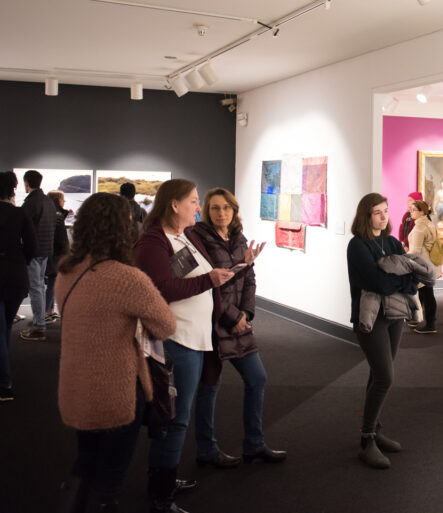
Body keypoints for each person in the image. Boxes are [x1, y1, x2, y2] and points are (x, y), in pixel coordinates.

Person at [55, 192, 176, 511]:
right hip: (115, 391)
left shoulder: (67, 271)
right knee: (109, 478)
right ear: (124, 229)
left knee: (85, 464)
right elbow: (165, 326)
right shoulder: (127, 278)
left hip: (76, 385)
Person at [134, 179, 235, 513]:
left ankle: (164, 478)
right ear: (174, 204)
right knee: (173, 419)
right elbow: (161, 289)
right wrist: (211, 280)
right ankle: (160, 494)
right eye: (193, 201)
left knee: (177, 417)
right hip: (176, 339)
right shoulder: (153, 241)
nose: (198, 206)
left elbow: (185, 280)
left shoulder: (184, 236)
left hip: (194, 336)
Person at [191, 187, 287, 469]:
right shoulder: (198, 239)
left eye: (226, 208)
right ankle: (206, 450)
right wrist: (232, 317)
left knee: (257, 379)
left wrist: (246, 313)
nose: (221, 213)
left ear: (234, 210)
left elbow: (249, 277)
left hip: (239, 321)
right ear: (207, 211)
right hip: (212, 324)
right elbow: (207, 286)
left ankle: (254, 445)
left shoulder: (238, 237)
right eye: (215, 208)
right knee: (209, 387)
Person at [347, 192, 417, 469]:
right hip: (369, 320)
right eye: (377, 211)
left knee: (378, 374)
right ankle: (366, 440)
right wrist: (397, 279)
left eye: (386, 210)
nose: (384, 216)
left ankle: (373, 430)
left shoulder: (391, 241)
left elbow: (412, 277)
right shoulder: (357, 245)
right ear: (366, 215)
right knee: (385, 378)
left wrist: (399, 279)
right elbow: (379, 284)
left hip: (394, 316)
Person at [0, 171, 36, 402]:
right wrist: (19, 260)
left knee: (1, 330)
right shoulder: (19, 213)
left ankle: (5, 382)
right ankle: (5, 372)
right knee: (4, 329)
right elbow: (31, 246)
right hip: (15, 275)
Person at [20, 169, 57, 341]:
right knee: (39, 288)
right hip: (45, 251)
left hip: (33, 252)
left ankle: (39, 327)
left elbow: (22, 228)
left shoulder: (30, 203)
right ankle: (39, 321)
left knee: (35, 288)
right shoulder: (48, 201)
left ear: (26, 183)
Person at [406, 200, 442, 334]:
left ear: (422, 211)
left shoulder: (419, 228)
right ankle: (420, 319)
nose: (411, 212)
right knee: (426, 293)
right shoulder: (429, 223)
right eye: (410, 209)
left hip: (423, 266)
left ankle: (430, 324)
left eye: (413, 210)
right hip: (430, 265)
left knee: (426, 294)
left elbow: (414, 251)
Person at [44, 190, 70, 324]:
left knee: (52, 283)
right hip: (57, 255)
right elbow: (61, 239)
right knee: (52, 283)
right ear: (57, 200)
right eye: (62, 199)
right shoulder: (57, 216)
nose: (64, 201)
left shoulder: (52, 214)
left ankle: (50, 310)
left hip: (52, 253)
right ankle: (47, 312)